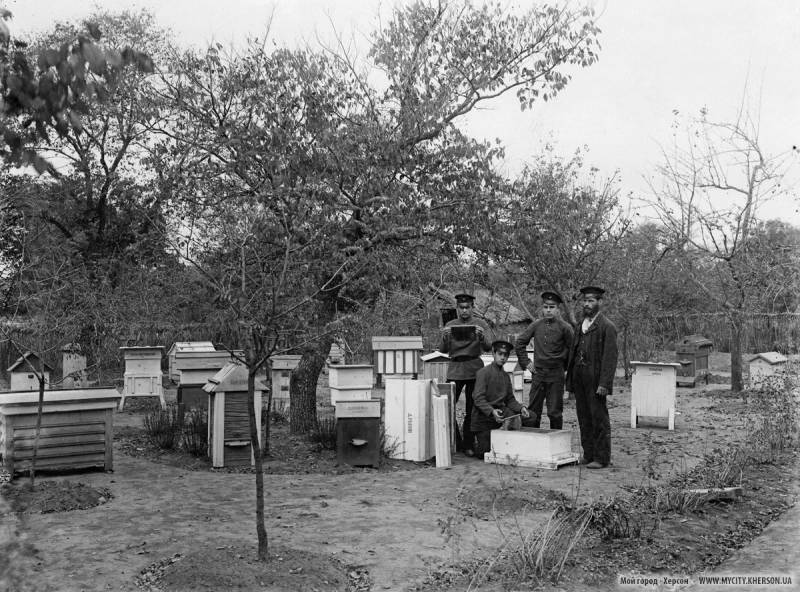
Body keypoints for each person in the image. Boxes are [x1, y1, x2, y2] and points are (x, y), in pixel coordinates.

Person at [565, 286, 618, 469]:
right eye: (585, 301)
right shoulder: (581, 325)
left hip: (596, 381)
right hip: (580, 379)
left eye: (591, 301)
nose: (587, 304)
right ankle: (588, 454)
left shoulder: (607, 327)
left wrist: (604, 383)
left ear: (600, 303)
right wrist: (571, 380)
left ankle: (602, 458)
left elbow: (610, 359)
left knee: (599, 419)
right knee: (583, 417)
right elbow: (573, 353)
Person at [439, 292, 492, 456]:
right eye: (461, 308)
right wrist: (445, 337)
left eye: (467, 307)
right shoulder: (450, 324)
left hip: (474, 368)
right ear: (456, 308)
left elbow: (489, 347)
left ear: (472, 308)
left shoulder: (480, 324)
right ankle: (455, 441)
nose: (464, 311)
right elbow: (442, 350)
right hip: (455, 368)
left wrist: (481, 337)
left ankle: (469, 443)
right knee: (447, 406)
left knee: (472, 407)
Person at [514, 291, 574, 430]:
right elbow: (520, 343)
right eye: (546, 307)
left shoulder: (565, 327)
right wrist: (527, 363)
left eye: (552, 307)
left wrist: (564, 368)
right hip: (538, 374)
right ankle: (534, 442)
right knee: (533, 411)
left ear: (558, 309)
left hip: (556, 375)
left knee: (555, 412)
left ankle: (556, 443)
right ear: (542, 308)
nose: (548, 310)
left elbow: (572, 350)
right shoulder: (536, 325)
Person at [471, 340, 531, 458]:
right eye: (500, 354)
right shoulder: (483, 373)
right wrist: (492, 411)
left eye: (506, 355)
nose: (503, 357)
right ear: (493, 353)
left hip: (500, 416)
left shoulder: (505, 376)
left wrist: (521, 408)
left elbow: (510, 400)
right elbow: (478, 399)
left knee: (530, 417)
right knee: (484, 453)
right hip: (483, 418)